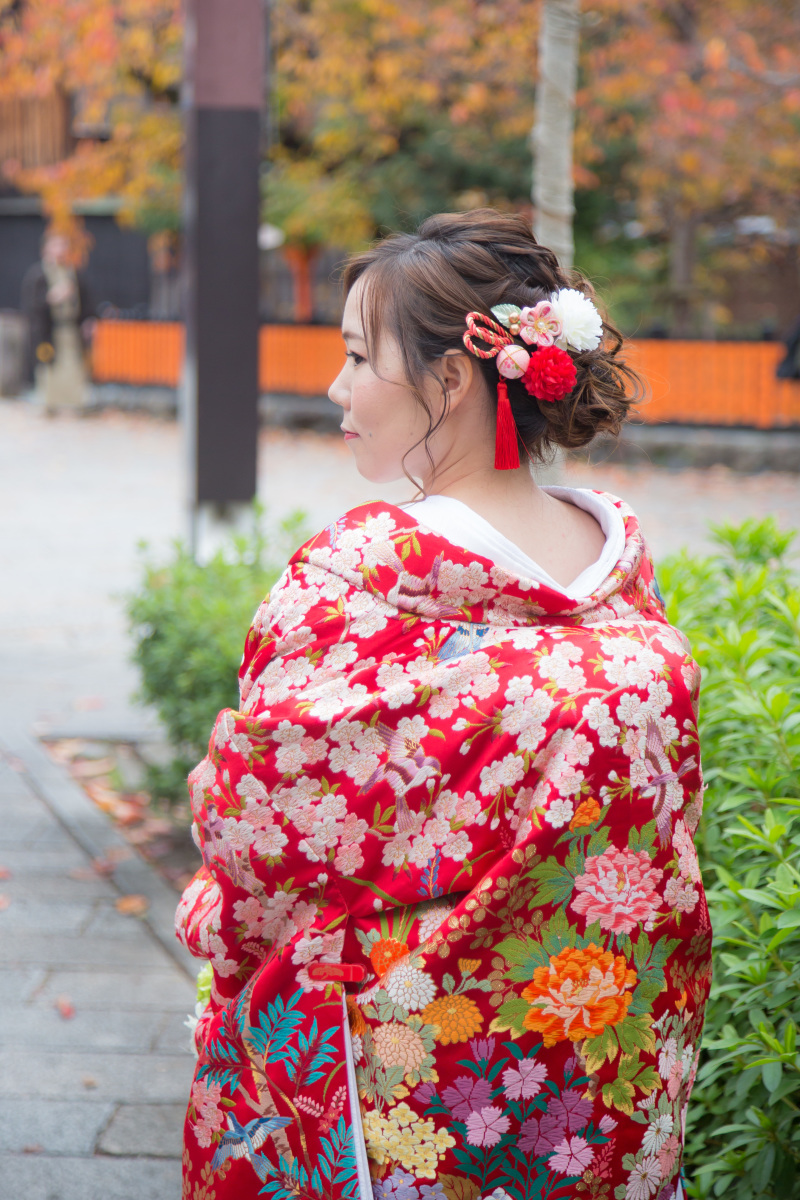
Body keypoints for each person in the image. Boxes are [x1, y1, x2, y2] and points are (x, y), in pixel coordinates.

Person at [177, 210, 710, 1200]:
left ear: (454, 379)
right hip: (582, 1066)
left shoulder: (358, 577)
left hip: (390, 1081)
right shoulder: (625, 588)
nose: (335, 388)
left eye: (354, 357)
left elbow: (251, 806)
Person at [20, 232, 93, 413]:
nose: (61, 250)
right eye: (56, 245)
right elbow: (31, 307)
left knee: (72, 365)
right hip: (48, 331)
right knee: (48, 365)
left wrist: (89, 321)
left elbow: (85, 302)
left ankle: (73, 403)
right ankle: (49, 403)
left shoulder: (72, 273)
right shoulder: (38, 275)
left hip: (70, 329)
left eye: (63, 246)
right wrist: (52, 297)